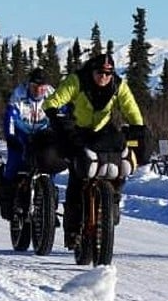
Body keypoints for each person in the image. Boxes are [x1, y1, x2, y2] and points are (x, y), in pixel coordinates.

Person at [41, 53, 149, 248]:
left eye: (108, 73)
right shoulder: (77, 80)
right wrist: (56, 116)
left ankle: (112, 200)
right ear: (92, 71)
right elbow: (53, 101)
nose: (104, 77)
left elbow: (132, 110)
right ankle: (72, 229)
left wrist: (138, 128)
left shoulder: (118, 85)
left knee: (118, 162)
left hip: (103, 130)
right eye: (100, 72)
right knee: (77, 173)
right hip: (77, 128)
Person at [0, 67, 61, 220]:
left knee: (51, 164)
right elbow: (10, 118)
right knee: (14, 163)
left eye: (42, 87)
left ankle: (49, 206)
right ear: (29, 85)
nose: (38, 90)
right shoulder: (19, 95)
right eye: (34, 86)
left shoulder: (53, 95)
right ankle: (10, 201)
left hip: (43, 134)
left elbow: (63, 114)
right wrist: (11, 138)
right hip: (22, 134)